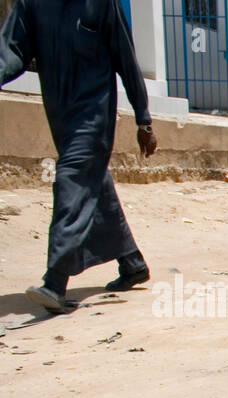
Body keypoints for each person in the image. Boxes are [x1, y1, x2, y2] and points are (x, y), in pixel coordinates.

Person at [0, 0, 158, 315]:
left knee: (71, 179)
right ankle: (132, 263)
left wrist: (143, 119)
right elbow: (11, 51)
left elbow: (125, 58)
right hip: (61, 116)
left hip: (94, 116)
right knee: (93, 184)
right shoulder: (32, 4)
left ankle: (55, 281)